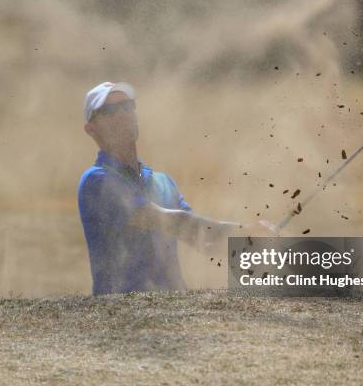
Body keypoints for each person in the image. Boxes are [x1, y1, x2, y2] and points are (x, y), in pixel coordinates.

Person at [78, 81, 266, 295]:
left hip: (175, 313)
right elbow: (170, 222)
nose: (121, 114)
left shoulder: (162, 182)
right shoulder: (96, 181)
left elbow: (201, 238)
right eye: (109, 110)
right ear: (91, 129)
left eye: (127, 106)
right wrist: (245, 231)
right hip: (122, 318)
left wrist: (254, 244)